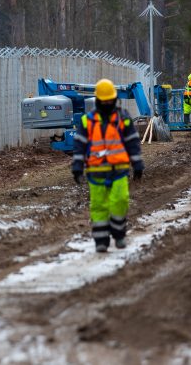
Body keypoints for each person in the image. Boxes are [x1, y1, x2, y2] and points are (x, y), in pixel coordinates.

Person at [72, 79, 145, 253]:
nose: (106, 104)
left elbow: (132, 142)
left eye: (109, 100)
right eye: (103, 101)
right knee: (98, 206)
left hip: (119, 171)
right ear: (98, 101)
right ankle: (101, 240)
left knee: (120, 201)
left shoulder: (123, 119)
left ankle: (119, 234)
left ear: (114, 100)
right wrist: (77, 166)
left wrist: (138, 163)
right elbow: (80, 145)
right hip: (96, 172)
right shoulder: (86, 121)